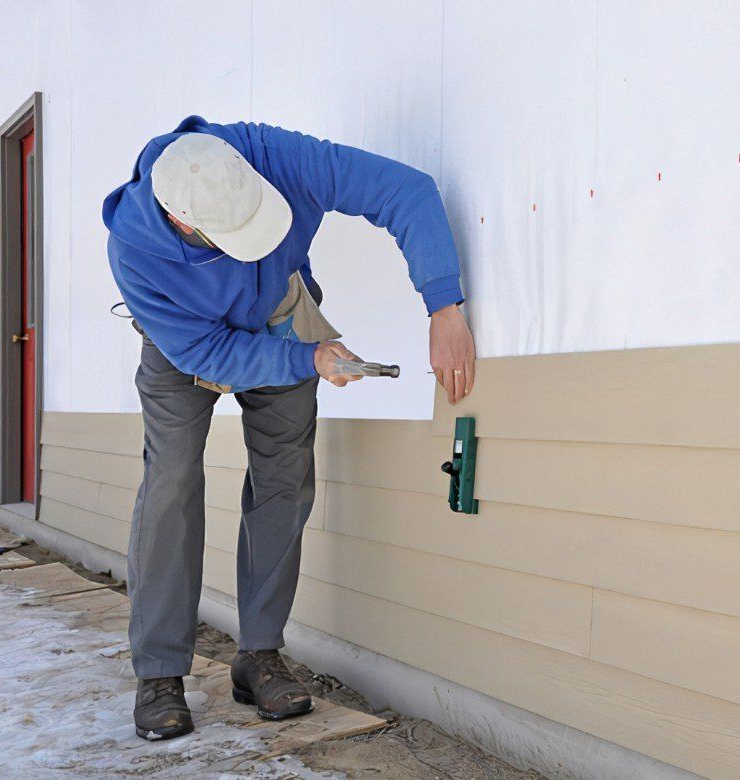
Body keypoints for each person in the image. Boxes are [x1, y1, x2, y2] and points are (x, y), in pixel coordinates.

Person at [102, 116, 475, 740]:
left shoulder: (275, 155)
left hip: (280, 308)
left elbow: (407, 190)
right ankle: (161, 673)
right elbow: (208, 356)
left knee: (284, 480)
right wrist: (309, 359)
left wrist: (444, 306)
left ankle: (259, 656)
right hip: (184, 346)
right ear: (184, 224)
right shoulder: (134, 250)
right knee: (170, 484)